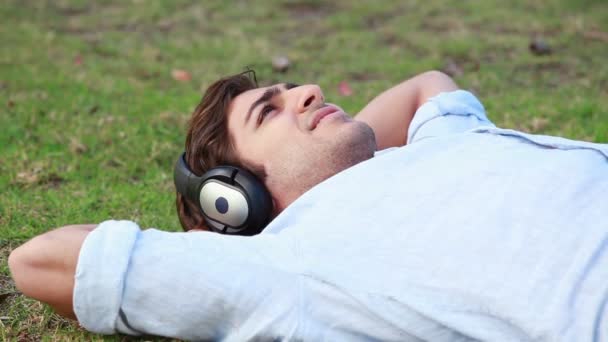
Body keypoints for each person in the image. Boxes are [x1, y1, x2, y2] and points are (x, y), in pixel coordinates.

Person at [8, 70, 608, 341]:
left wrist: (332, 155)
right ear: (233, 197)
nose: (308, 92)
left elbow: (428, 84)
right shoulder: (292, 262)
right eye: (268, 111)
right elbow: (39, 262)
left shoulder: (436, 146)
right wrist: (234, 240)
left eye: (290, 90)